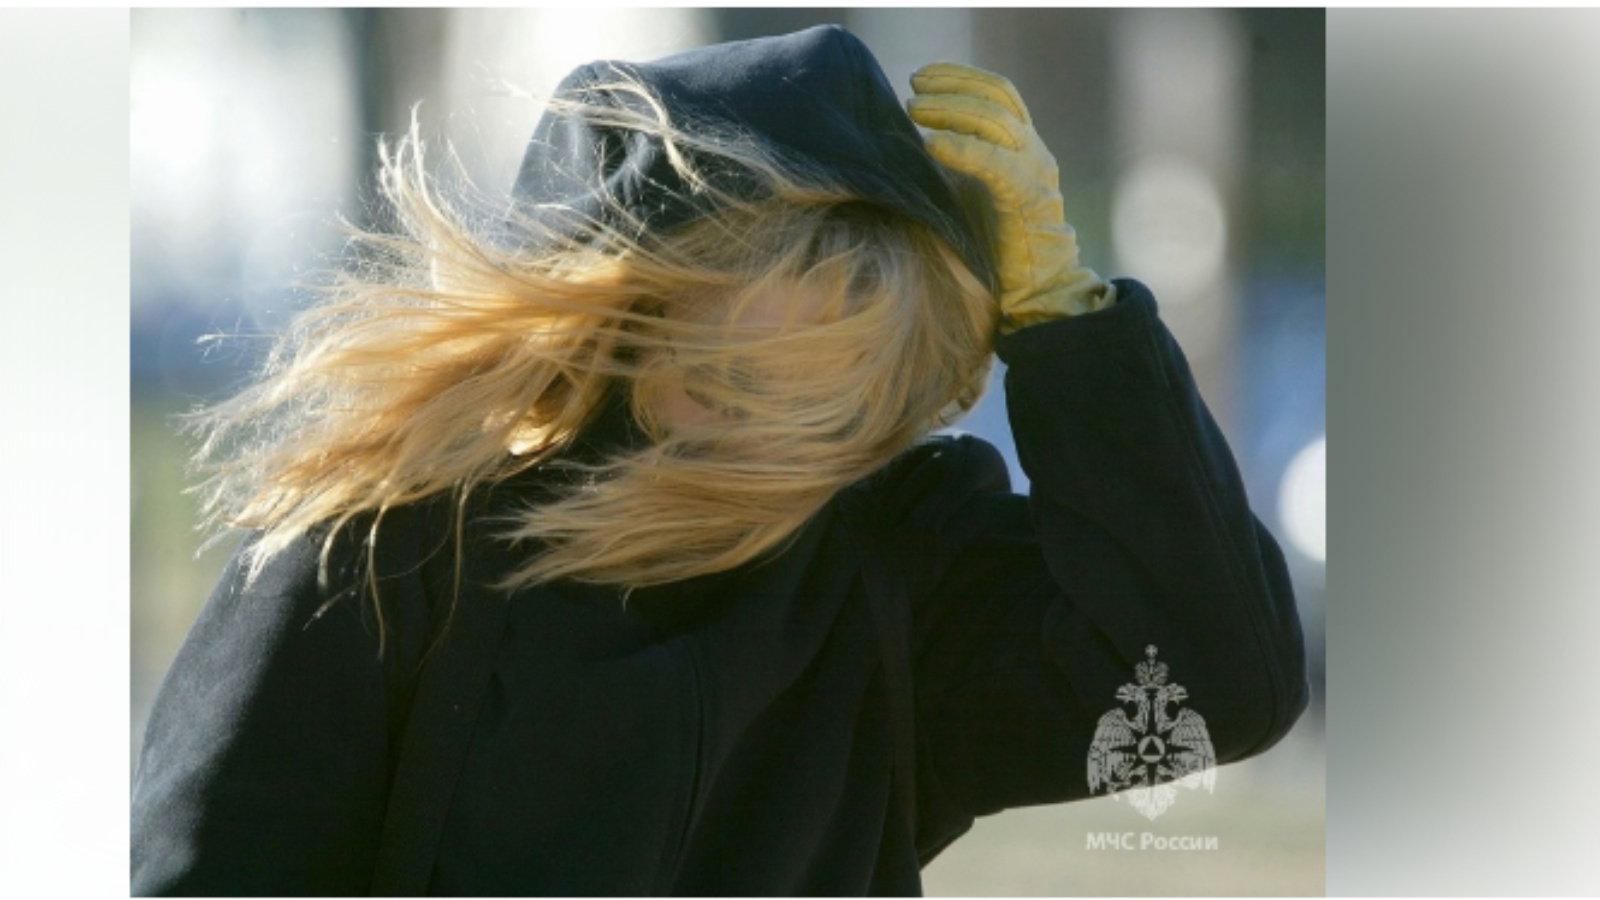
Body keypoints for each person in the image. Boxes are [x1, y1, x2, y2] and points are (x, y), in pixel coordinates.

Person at [131, 25, 1308, 896]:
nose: (762, 413)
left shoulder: (896, 569)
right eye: (721, 350)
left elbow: (1215, 690)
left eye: (827, 377)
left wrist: (1071, 326)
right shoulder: (383, 556)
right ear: (608, 317)